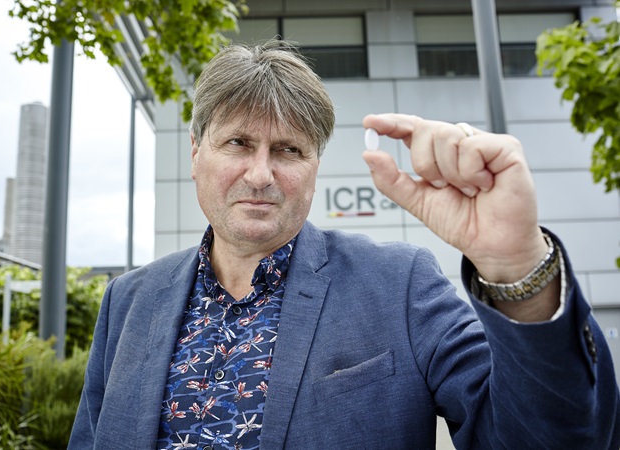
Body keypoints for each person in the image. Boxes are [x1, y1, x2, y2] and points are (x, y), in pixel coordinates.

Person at [68, 40, 619, 449]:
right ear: (195, 153)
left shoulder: (400, 285)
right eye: (237, 142)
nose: (260, 174)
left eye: (288, 150)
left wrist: (515, 263)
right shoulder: (128, 301)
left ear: (314, 167)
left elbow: (557, 437)